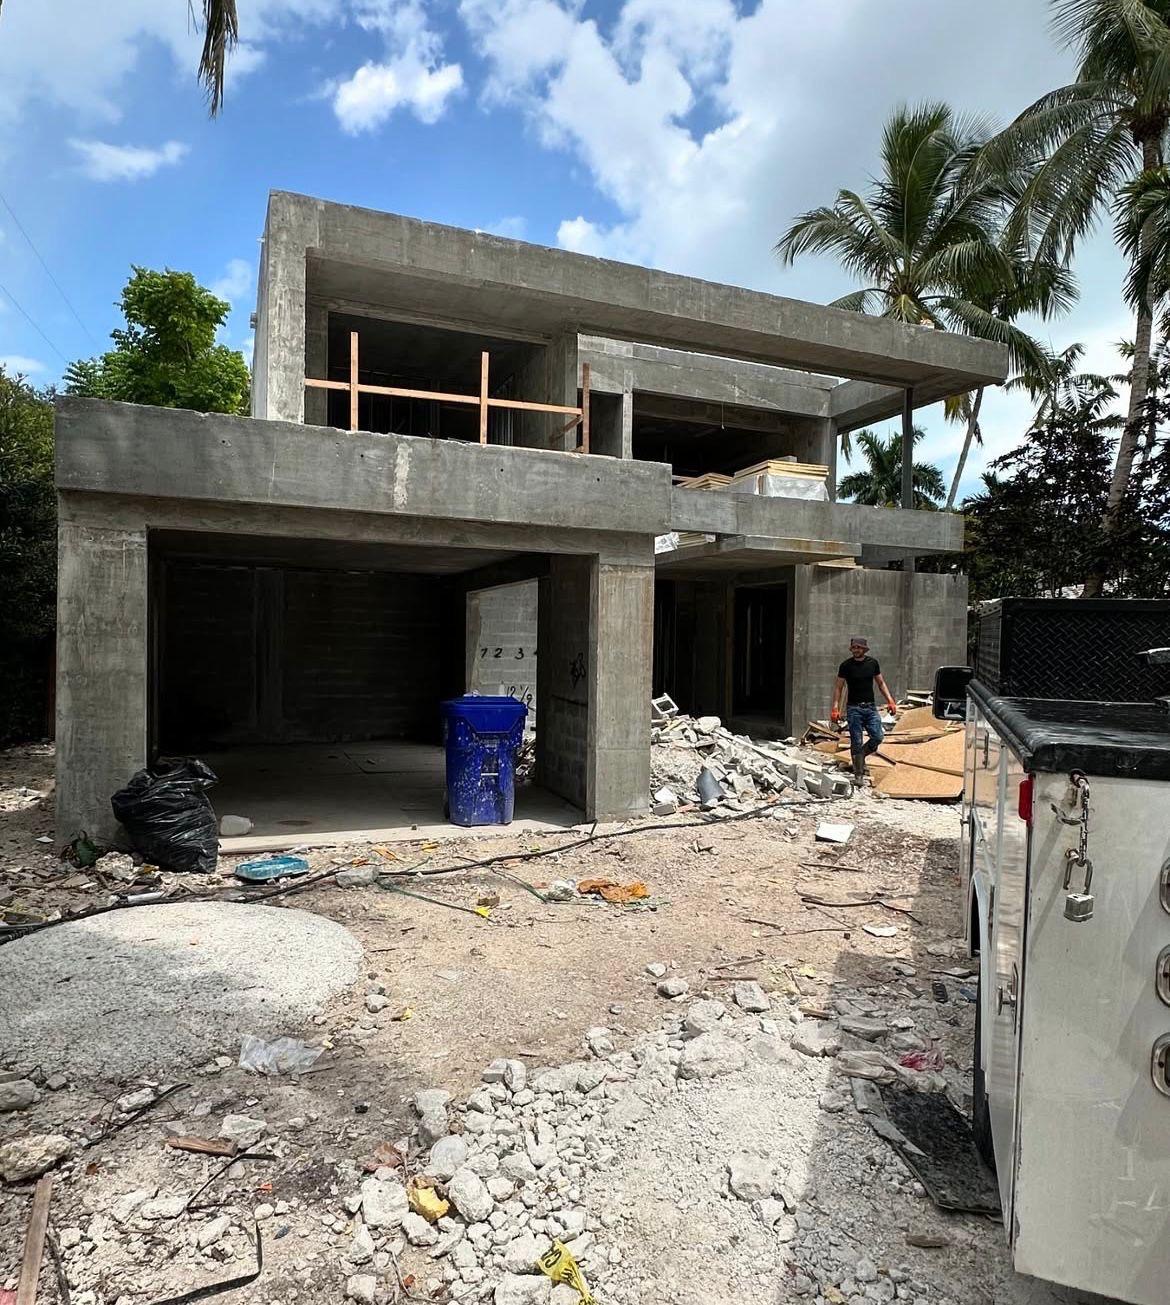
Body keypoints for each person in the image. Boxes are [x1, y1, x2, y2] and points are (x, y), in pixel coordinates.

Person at [830, 636, 898, 783]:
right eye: (854, 648)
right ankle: (858, 775)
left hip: (870, 707)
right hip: (854, 709)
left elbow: (881, 683)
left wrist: (890, 701)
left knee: (878, 736)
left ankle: (860, 757)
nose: (856, 650)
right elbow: (838, 688)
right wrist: (835, 708)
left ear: (864, 649)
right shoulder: (846, 666)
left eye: (859, 648)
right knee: (856, 740)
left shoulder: (872, 663)